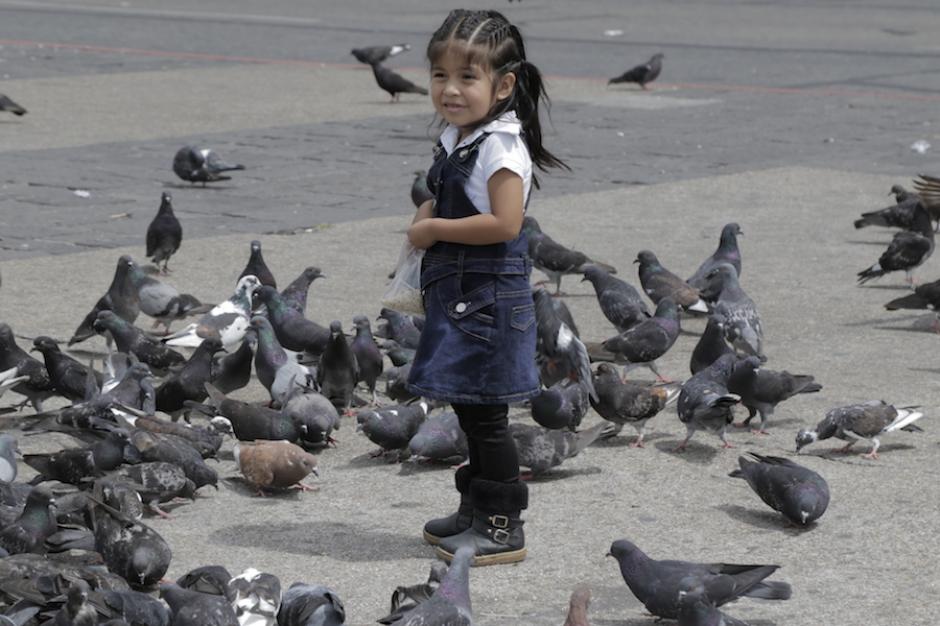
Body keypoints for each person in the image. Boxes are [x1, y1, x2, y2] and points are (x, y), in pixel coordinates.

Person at [406, 8, 569, 566]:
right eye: (439, 76)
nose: (449, 90)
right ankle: (474, 510)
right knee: (472, 409)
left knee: (488, 417)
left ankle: (502, 525)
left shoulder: (500, 146)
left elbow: (505, 224)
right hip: (463, 297)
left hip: (490, 304)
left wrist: (433, 228)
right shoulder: (463, 135)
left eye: (466, 78)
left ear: (503, 85)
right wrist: (432, 205)